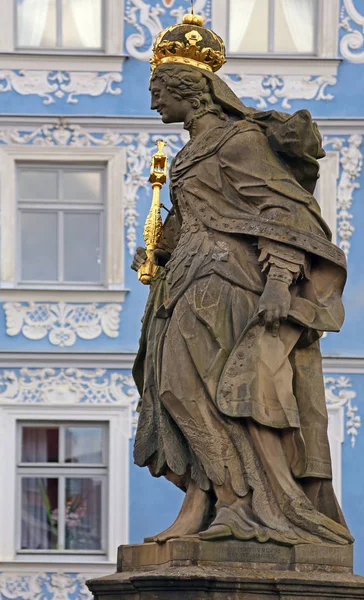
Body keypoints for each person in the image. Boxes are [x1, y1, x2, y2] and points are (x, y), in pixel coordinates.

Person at [131, 13, 353, 546]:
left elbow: (284, 213)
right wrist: (160, 250)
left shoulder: (238, 141)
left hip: (227, 282)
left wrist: (279, 280)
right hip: (184, 281)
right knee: (173, 392)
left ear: (191, 91)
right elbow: (198, 218)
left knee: (217, 393)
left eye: (160, 90)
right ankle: (207, 499)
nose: (154, 102)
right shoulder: (188, 154)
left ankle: (243, 504)